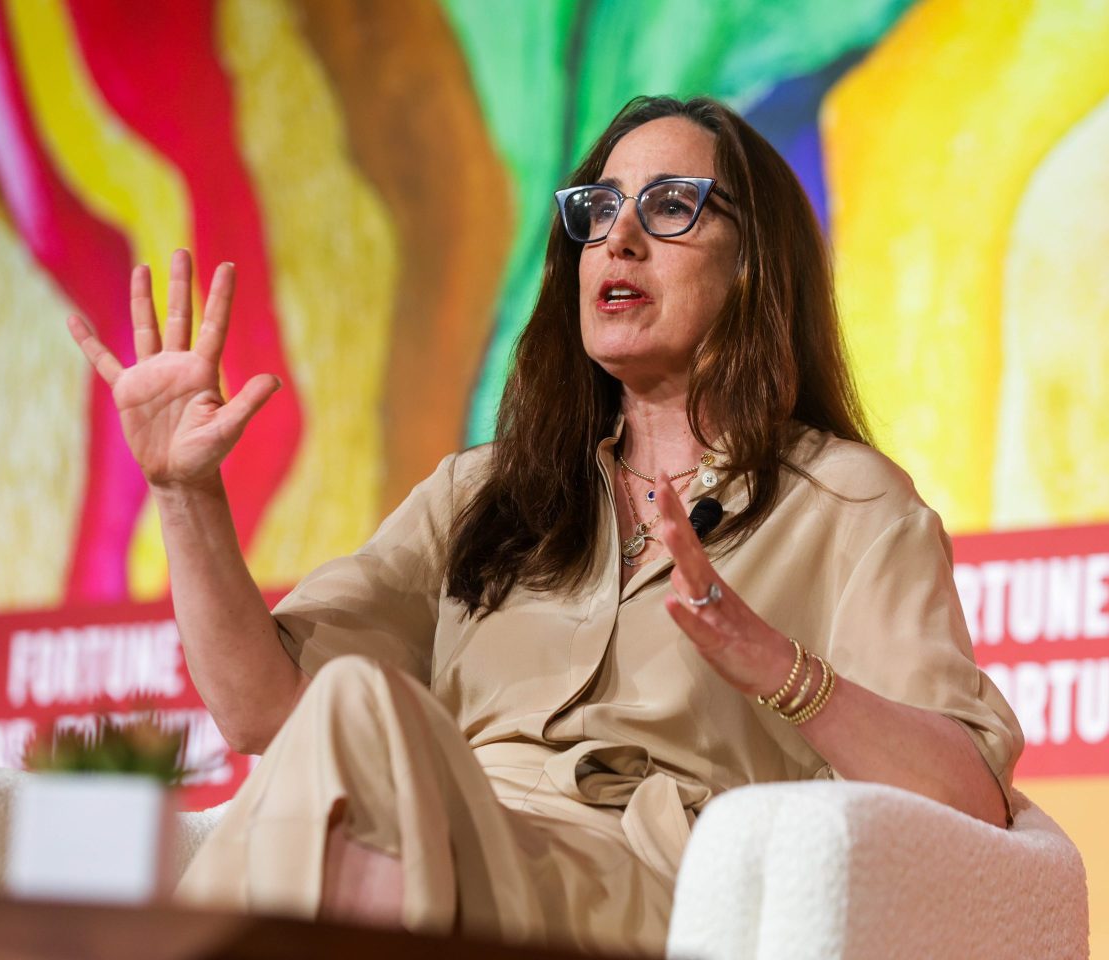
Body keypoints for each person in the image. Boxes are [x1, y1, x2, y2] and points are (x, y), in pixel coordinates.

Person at [66, 95, 1021, 956]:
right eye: (598, 211)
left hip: (638, 884)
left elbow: (969, 804)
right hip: (450, 844)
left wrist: (780, 668)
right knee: (338, 743)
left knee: (354, 720)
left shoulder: (849, 505)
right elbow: (261, 710)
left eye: (670, 207)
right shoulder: (482, 493)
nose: (619, 240)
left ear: (753, 265)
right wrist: (184, 493)